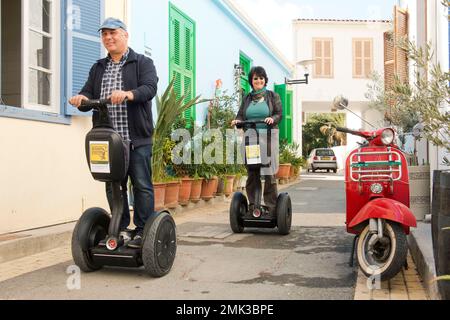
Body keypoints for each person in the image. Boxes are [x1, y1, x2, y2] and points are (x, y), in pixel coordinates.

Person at [69, 18, 158, 248]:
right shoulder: (98, 67)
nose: (108, 38)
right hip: (107, 140)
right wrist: (80, 99)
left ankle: (141, 231)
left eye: (113, 33)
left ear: (125, 35)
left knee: (141, 184)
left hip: (136, 138)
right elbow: (88, 93)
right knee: (112, 185)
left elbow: (149, 88)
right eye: (104, 34)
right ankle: (120, 228)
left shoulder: (142, 62)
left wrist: (128, 94)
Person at [231, 66, 282, 216]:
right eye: (255, 78)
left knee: (268, 172)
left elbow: (279, 113)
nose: (258, 80)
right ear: (251, 81)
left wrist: (272, 119)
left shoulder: (273, 96)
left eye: (261, 78)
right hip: (251, 138)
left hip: (268, 137)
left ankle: (272, 208)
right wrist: (237, 121)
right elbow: (241, 115)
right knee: (252, 171)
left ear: (265, 80)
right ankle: (254, 205)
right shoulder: (247, 98)